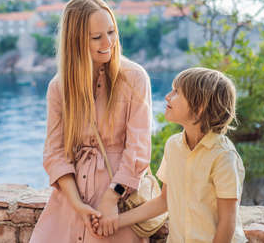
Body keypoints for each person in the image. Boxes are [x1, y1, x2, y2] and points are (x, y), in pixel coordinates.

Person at [29, 0, 152, 243]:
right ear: (75, 41)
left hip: (120, 195)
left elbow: (138, 150)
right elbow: (54, 154)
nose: (107, 42)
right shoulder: (58, 88)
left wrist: (110, 199)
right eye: (96, 37)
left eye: (111, 32)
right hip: (71, 199)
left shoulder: (134, 78)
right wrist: (77, 204)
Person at [92, 67, 247, 243]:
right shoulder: (173, 146)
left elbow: (228, 222)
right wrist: (115, 221)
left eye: (176, 92)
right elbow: (163, 201)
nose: (167, 96)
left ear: (200, 107)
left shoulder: (223, 157)